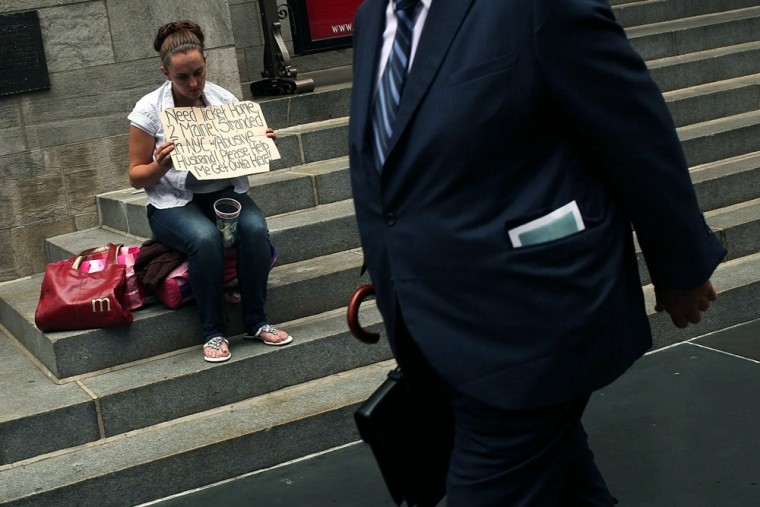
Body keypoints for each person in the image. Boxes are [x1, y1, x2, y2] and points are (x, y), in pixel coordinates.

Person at [348, 0, 727, 505]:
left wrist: (681, 267)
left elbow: (636, 132)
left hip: (534, 317)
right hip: (435, 322)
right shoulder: (375, 14)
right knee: (569, 487)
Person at [128, 20, 292, 364]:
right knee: (204, 239)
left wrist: (258, 144)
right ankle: (213, 331)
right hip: (172, 203)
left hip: (222, 192)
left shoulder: (223, 99)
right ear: (165, 73)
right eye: (182, 77)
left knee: (255, 229)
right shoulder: (148, 111)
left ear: (206, 65)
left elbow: (239, 154)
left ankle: (256, 321)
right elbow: (136, 176)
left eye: (198, 73)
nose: (193, 83)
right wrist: (162, 165)